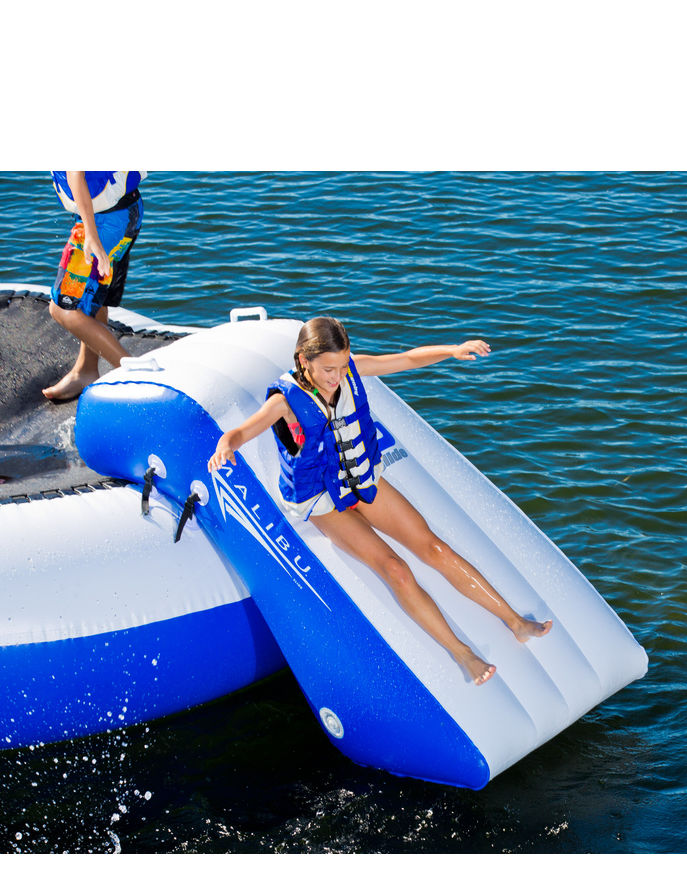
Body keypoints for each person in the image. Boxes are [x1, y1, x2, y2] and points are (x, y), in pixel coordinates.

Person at [208, 316, 552, 685]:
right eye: (327, 369)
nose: (336, 377)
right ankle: (462, 653)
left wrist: (452, 350)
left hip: (362, 481)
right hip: (323, 498)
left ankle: (516, 622)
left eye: (342, 365)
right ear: (304, 360)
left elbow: (405, 359)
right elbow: (243, 430)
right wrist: (225, 446)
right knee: (396, 569)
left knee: (435, 548)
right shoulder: (284, 401)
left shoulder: (351, 371)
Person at [44, 171, 146, 401]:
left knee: (63, 309)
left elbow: (75, 172)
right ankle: (86, 370)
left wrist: (91, 235)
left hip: (104, 224)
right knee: (94, 295)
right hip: (123, 212)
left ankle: (140, 380)